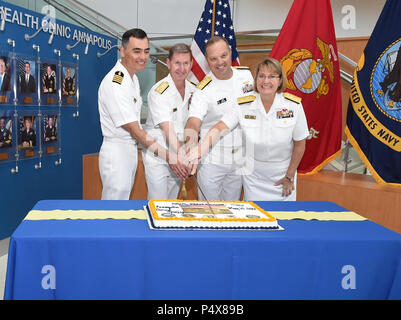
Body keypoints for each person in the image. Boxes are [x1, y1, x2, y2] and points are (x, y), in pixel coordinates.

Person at [186, 57, 309, 201]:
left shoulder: (293, 106)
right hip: (254, 179)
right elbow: (219, 128)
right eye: (261, 76)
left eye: (272, 76)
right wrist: (200, 150)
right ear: (256, 79)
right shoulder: (244, 105)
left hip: (283, 176)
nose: (266, 81)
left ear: (280, 80)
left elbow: (300, 145)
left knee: (284, 219)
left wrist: (289, 175)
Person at [98, 28, 189, 200]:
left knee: (122, 206)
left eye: (146, 51)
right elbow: (134, 130)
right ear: (123, 51)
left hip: (129, 150)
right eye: (136, 51)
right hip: (117, 152)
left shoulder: (132, 79)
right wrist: (169, 156)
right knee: (113, 207)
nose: (143, 57)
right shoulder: (115, 83)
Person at [184, 36, 254, 201]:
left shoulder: (246, 75)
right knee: (209, 212)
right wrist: (192, 145)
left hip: (240, 156)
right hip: (212, 159)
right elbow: (193, 121)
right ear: (207, 60)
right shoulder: (204, 89)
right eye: (213, 59)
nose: (219, 62)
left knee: (232, 209)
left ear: (230, 53)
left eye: (223, 56)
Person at [143, 43, 196, 199]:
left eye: (186, 63)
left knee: (172, 202)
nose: (181, 68)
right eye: (177, 63)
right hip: (158, 154)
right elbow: (167, 129)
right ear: (168, 63)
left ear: (192, 64)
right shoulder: (159, 92)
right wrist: (183, 157)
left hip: (180, 152)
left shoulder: (195, 90)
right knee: (158, 203)